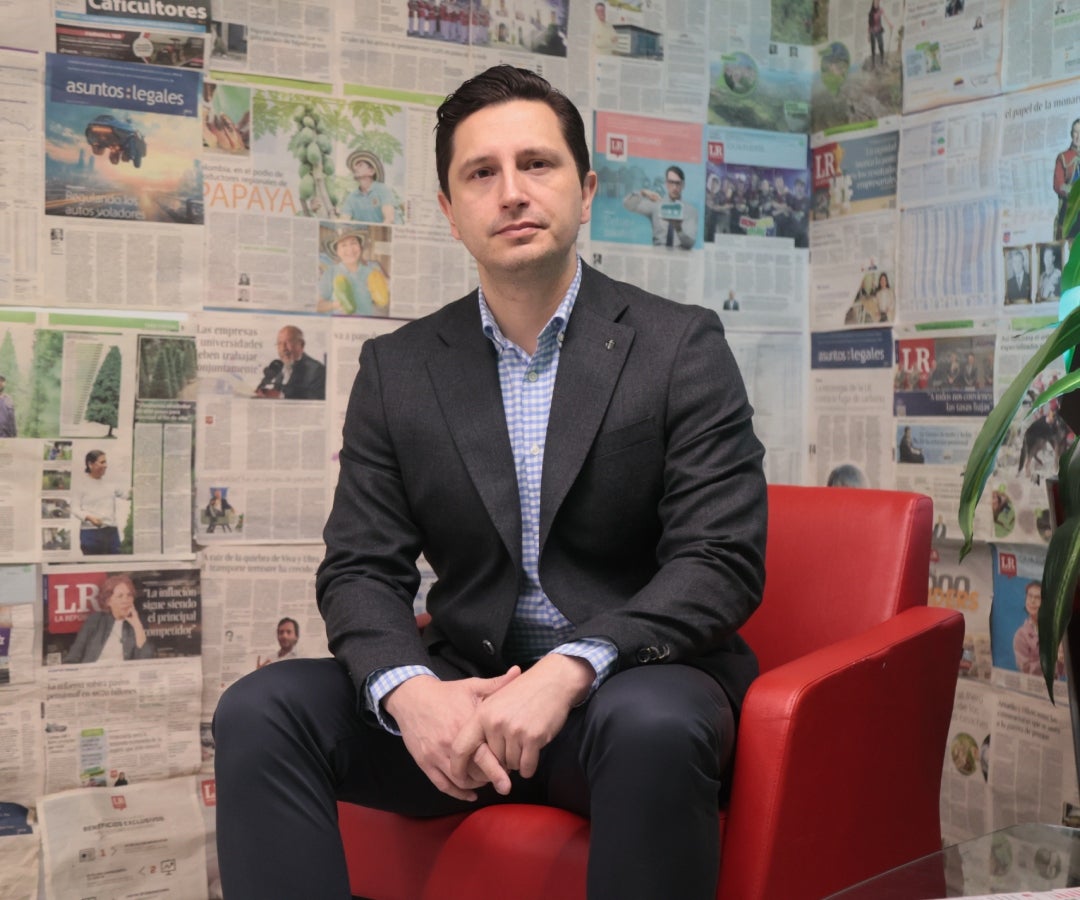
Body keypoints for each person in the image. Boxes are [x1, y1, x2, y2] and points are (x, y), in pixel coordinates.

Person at [213, 65, 767, 900]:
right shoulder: (399, 370)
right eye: (481, 173)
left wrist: (570, 668)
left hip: (620, 695)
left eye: (536, 164)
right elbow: (361, 567)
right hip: (463, 700)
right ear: (449, 209)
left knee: (653, 722)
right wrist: (412, 694)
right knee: (260, 709)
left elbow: (719, 558)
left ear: (585, 190)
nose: (511, 192)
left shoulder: (679, 345)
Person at [64, 573, 155, 663]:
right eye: (120, 596)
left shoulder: (138, 623)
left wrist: (137, 626)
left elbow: (146, 661)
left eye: (129, 595)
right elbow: (73, 656)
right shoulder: (95, 620)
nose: (126, 600)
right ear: (108, 601)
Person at [623, 165, 700, 249]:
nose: (674, 187)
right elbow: (628, 205)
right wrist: (643, 193)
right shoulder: (656, 205)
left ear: (683, 185)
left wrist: (679, 229)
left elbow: (689, 244)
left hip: (680, 255)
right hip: (658, 254)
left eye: (678, 183)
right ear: (666, 184)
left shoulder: (691, 211)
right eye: (671, 182)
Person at [316, 229, 390, 316]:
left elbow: (382, 301)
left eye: (353, 243)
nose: (350, 249)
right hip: (340, 322)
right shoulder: (330, 272)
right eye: (343, 245)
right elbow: (318, 305)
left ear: (360, 246)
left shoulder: (372, 272)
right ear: (337, 251)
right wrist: (336, 304)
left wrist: (386, 288)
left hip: (366, 322)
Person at [75, 450, 129, 555]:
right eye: (102, 462)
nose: (106, 465)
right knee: (94, 564)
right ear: (90, 464)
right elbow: (74, 508)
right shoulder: (80, 484)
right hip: (90, 533)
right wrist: (89, 518)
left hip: (111, 532)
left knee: (116, 562)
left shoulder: (110, 484)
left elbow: (126, 495)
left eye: (106, 462)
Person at [254, 326, 326, 400]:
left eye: (288, 342)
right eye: (279, 343)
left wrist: (281, 395)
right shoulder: (280, 368)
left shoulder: (317, 370)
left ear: (301, 344)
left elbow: (317, 398)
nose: (283, 348)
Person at [338, 149, 396, 224]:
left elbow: (389, 219)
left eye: (360, 165)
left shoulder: (382, 190)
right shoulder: (352, 197)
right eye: (354, 166)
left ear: (371, 171)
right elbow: (343, 220)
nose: (355, 168)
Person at [1054, 119, 1080, 240]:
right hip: (1071, 210)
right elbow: (1058, 185)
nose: (1078, 136)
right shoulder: (1063, 157)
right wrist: (1073, 191)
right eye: (1076, 132)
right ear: (1071, 134)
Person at [867, 0, 892, 70]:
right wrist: (868, 35)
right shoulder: (870, 13)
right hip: (872, 32)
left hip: (879, 31)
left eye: (878, 2)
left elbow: (885, 17)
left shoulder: (880, 10)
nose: (877, 4)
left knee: (881, 46)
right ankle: (873, 63)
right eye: (875, 2)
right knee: (873, 48)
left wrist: (890, 24)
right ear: (873, 3)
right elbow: (869, 25)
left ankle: (882, 60)